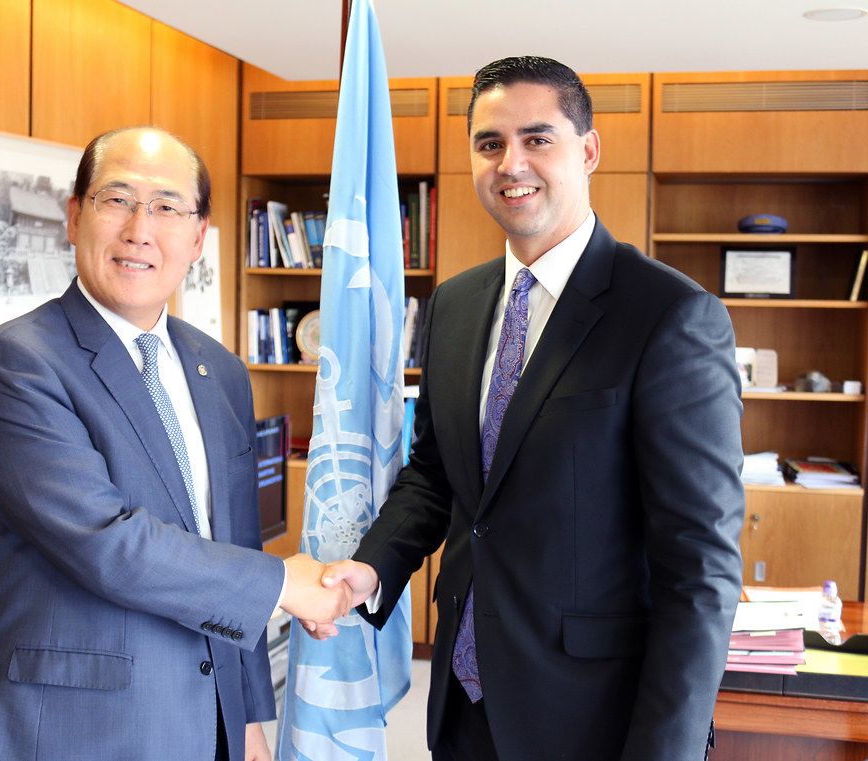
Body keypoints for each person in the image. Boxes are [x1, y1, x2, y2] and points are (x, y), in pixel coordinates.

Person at [307, 56, 745, 761]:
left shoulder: (668, 316)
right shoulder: (453, 304)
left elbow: (700, 570)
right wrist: (374, 566)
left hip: (593, 719)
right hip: (462, 702)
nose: (512, 163)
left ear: (589, 150)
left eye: (538, 138)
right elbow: (438, 473)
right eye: (490, 143)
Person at [0, 127, 351, 761]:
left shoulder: (219, 370)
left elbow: (231, 544)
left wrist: (244, 719)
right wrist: (285, 586)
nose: (140, 228)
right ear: (75, 216)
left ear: (196, 237)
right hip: (66, 728)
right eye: (117, 200)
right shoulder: (13, 365)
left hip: (205, 723)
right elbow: (109, 542)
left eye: (166, 206)